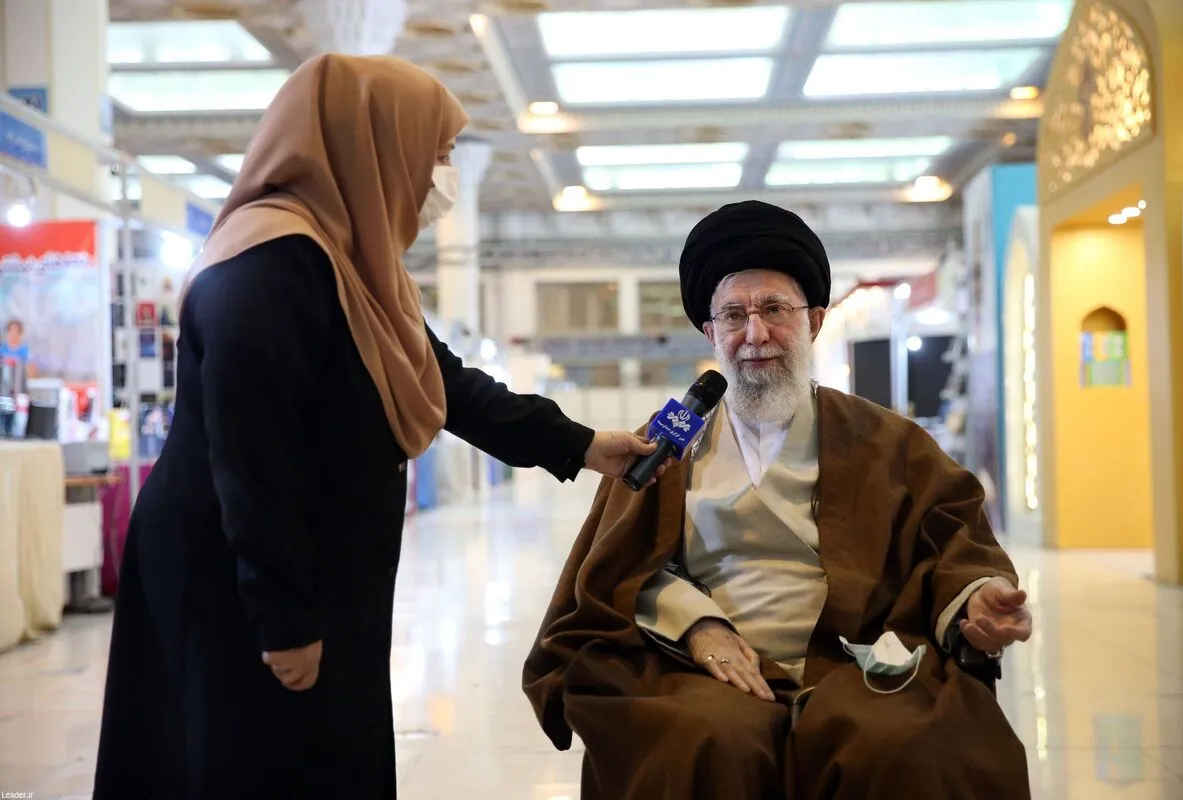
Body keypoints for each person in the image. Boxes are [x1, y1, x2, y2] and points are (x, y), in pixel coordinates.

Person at [93, 54, 662, 800]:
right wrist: (283, 618)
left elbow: (446, 382)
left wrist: (582, 445)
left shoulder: (350, 263)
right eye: (437, 152)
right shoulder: (266, 266)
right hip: (239, 584)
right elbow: (250, 460)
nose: (442, 176)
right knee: (261, 761)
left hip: (320, 565)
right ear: (373, 143)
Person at [523, 200, 1034, 800]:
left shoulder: (888, 441)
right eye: (733, 315)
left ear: (814, 322)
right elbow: (619, 567)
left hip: (853, 655)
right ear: (711, 334)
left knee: (901, 743)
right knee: (697, 739)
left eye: (774, 310)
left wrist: (976, 597)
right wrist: (696, 625)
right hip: (698, 662)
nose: (755, 334)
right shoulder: (663, 445)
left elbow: (950, 540)